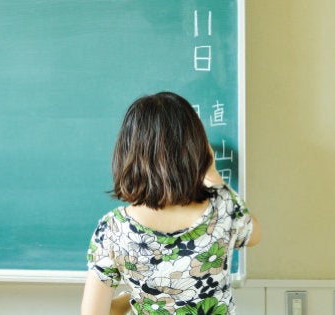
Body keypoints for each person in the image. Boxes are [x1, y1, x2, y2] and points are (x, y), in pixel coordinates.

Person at [81, 92, 261, 315]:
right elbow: (254, 235)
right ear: (197, 149)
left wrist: (131, 299)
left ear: (128, 152)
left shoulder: (112, 230)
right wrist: (212, 173)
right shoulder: (222, 209)